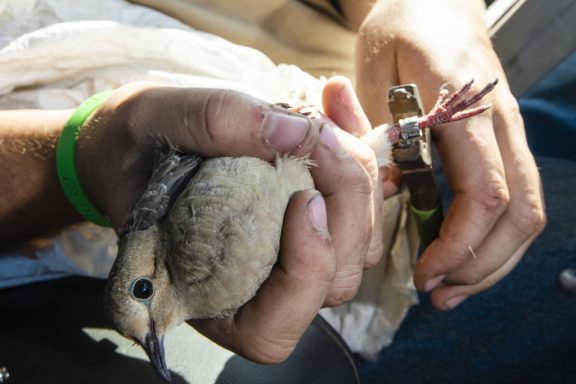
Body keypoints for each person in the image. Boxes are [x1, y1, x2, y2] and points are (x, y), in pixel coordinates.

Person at [0, 0, 545, 366]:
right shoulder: (190, 278)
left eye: (143, 293)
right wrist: (76, 158)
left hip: (355, 94)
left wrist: (430, 9)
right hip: (52, 249)